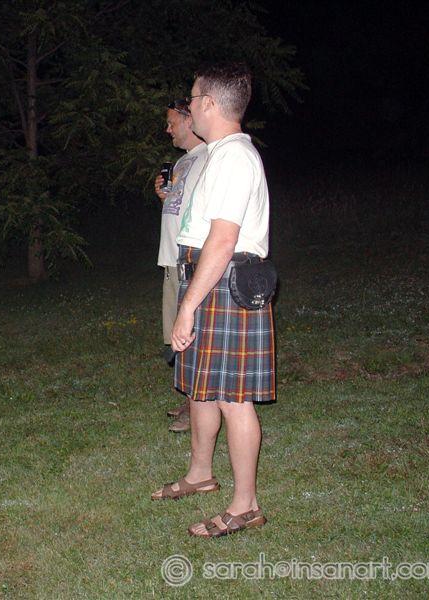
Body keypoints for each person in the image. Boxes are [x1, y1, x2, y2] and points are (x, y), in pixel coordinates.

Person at [150, 63, 275, 539]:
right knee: (202, 388)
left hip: (223, 281)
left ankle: (246, 506)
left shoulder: (234, 157)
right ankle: (200, 473)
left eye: (192, 97)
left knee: (233, 398)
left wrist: (186, 307)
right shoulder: (216, 155)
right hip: (205, 278)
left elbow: (223, 240)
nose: (188, 106)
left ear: (208, 104)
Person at [154, 99, 208, 433]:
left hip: (192, 259)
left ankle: (197, 408)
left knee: (192, 334)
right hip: (171, 258)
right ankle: (189, 400)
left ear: (189, 120)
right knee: (175, 334)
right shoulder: (183, 161)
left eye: (172, 122)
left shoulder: (210, 157)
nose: (168, 129)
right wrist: (166, 196)